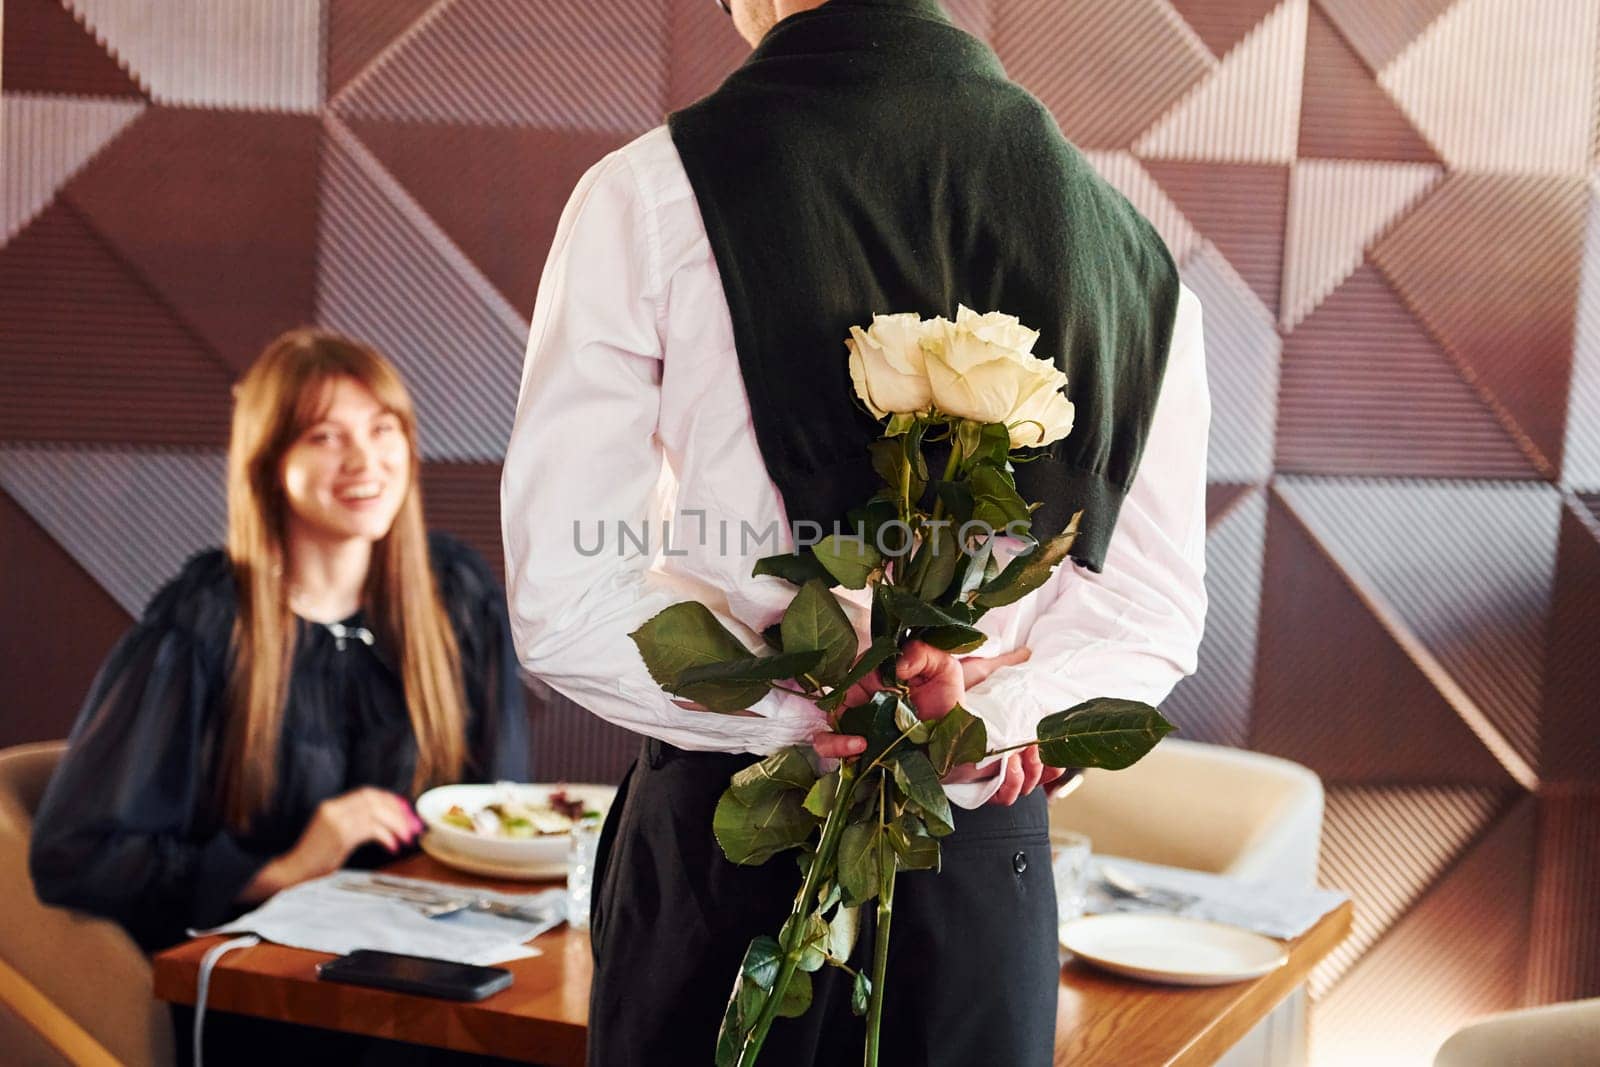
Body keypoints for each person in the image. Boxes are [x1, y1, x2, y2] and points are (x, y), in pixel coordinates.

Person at [502, 0, 1209, 1063]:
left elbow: (563, 602)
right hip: (977, 867)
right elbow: (1151, 612)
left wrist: (802, 714)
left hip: (721, 853)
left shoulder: (649, 195)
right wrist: (982, 715)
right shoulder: (1133, 253)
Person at [30, 327, 529, 953]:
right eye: (325, 437)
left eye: (382, 429)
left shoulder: (455, 593)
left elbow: (497, 814)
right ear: (270, 462)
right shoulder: (204, 622)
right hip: (266, 981)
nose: (365, 462)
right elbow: (80, 856)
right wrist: (287, 867)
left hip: (431, 953)